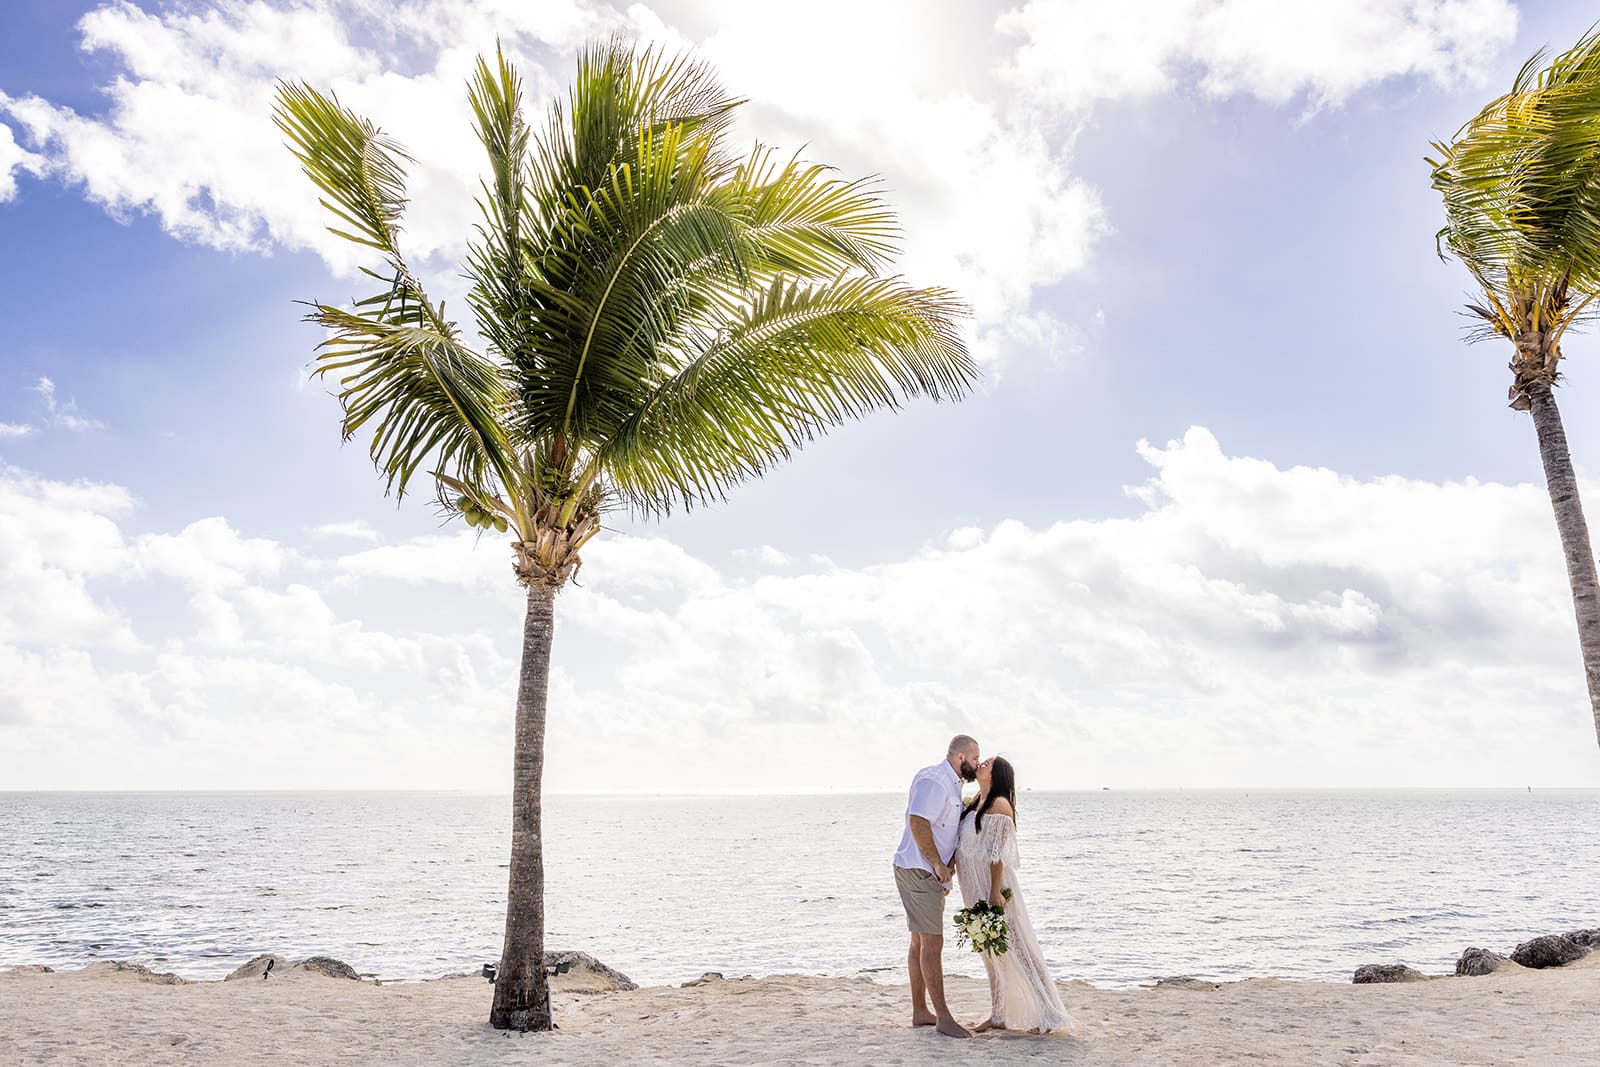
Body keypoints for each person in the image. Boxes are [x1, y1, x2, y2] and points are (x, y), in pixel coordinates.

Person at [954, 756, 1075, 1035]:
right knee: (988, 952)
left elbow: (996, 854)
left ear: (998, 774)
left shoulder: (1000, 804)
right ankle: (998, 1015)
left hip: (992, 886)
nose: (981, 765)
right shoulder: (976, 801)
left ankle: (1048, 1013)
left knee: (1019, 948)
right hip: (973, 886)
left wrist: (995, 891)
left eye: (987, 764)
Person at [892, 734, 981, 1038]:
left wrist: (947, 866)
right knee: (932, 944)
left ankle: (920, 1012)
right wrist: (937, 865)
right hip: (918, 869)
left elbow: (946, 829)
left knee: (920, 943)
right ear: (960, 757)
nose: (977, 764)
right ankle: (943, 1017)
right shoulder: (936, 781)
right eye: (975, 758)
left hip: (922, 871)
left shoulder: (952, 783)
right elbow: (918, 822)